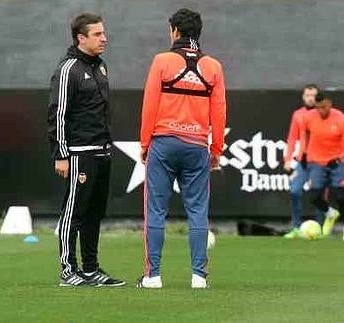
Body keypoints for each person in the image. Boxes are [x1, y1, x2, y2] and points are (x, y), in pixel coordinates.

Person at [137, 8, 227, 289]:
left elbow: (149, 104)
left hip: (164, 143)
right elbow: (220, 110)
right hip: (197, 146)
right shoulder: (213, 66)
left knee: (156, 210)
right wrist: (217, 149)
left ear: (175, 31)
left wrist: (144, 143)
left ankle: (153, 276)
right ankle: (199, 276)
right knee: (198, 211)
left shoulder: (161, 61)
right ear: (198, 33)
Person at [47, 13, 124, 287]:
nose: (104, 38)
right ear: (81, 38)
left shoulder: (100, 67)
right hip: (79, 152)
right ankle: (68, 270)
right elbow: (58, 114)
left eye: (104, 33)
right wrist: (61, 154)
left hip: (102, 151)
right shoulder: (68, 69)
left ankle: (91, 270)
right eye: (97, 34)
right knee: (73, 212)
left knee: (94, 213)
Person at [303, 94, 344, 242]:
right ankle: (330, 214)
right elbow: (306, 133)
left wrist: (339, 158)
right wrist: (306, 153)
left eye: (324, 107)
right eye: (318, 107)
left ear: (330, 104)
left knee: (340, 196)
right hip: (316, 161)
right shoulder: (309, 118)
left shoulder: (341, 119)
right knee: (314, 196)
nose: (321, 111)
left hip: (337, 161)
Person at [283, 84, 326, 238]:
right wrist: (288, 159)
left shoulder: (323, 114)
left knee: (318, 194)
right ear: (303, 97)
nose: (310, 98)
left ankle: (320, 228)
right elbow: (292, 137)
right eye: (307, 95)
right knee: (294, 190)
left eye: (313, 95)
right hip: (304, 161)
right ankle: (295, 226)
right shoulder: (298, 115)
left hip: (320, 161)